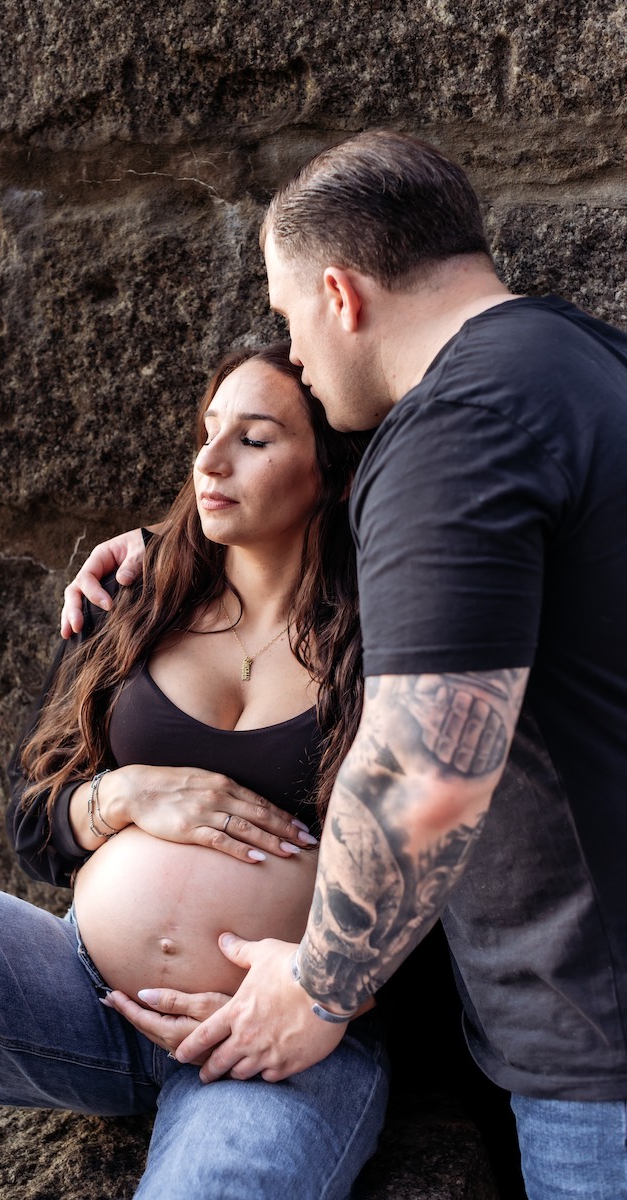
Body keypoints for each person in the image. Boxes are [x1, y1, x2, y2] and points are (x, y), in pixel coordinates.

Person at [61, 131, 627, 1199]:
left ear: (339, 293)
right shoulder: (583, 363)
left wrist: (320, 988)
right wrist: (178, 542)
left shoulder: (453, 431)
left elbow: (426, 758)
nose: (297, 356)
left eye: (287, 318)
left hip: (598, 1053)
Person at [0, 342, 390, 1200]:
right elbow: (31, 815)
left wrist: (328, 995)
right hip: (80, 992)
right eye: (207, 432)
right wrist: (122, 795)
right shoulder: (136, 601)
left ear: (332, 474)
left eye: (256, 439)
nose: (209, 461)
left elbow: (443, 864)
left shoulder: (385, 640)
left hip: (276, 1039)